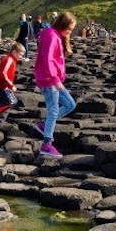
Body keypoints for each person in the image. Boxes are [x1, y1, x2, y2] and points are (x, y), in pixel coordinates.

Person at [34, 12, 77, 159]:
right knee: (53, 110)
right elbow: (47, 59)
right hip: (49, 79)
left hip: (54, 78)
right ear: (62, 25)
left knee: (70, 104)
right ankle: (47, 144)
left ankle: (44, 125)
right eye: (69, 29)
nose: (69, 33)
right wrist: (55, 78)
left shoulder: (57, 36)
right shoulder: (52, 36)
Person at [0, 42, 26, 125]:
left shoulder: (10, 59)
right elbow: (3, 73)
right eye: (20, 54)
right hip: (3, 85)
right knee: (11, 101)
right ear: (14, 52)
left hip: (2, 85)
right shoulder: (9, 59)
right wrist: (11, 85)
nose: (21, 57)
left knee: (5, 101)